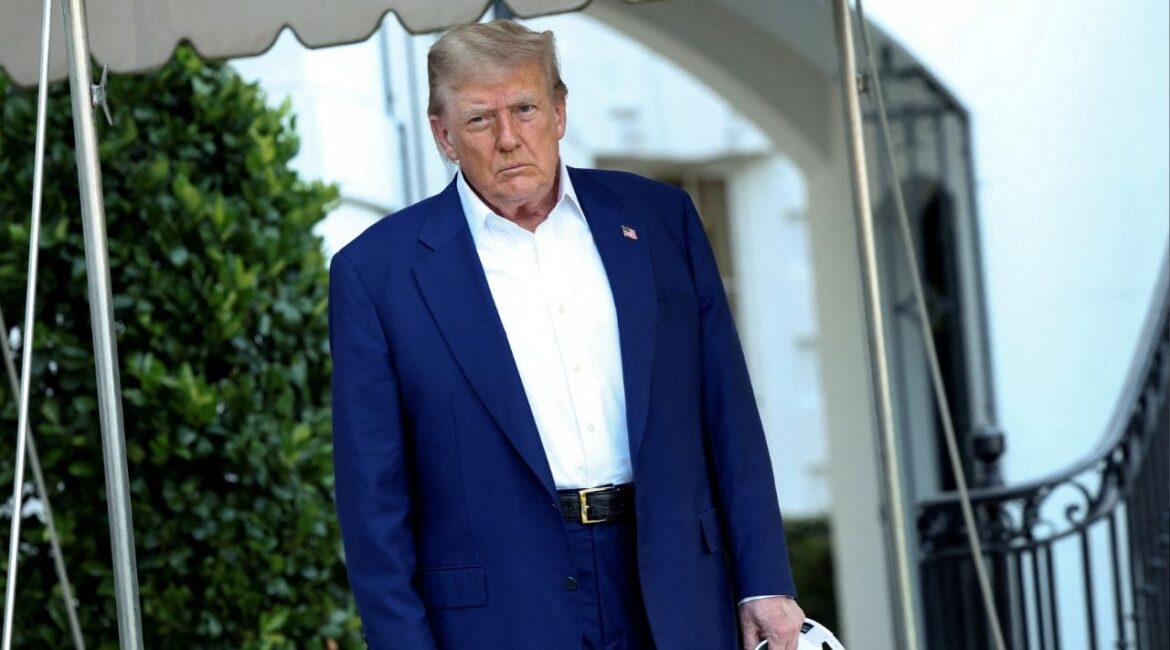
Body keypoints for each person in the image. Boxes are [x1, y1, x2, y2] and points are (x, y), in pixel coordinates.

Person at [329, 19, 804, 650]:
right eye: (478, 119)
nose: (508, 138)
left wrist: (764, 581)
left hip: (676, 583)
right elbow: (373, 499)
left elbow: (728, 413)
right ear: (443, 136)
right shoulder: (375, 273)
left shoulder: (660, 221)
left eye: (525, 108)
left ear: (559, 112)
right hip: (497, 610)